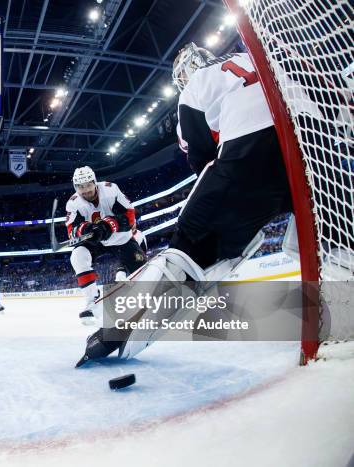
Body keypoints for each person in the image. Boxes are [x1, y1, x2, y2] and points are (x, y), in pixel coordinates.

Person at [78, 43, 293, 364]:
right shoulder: (257, 56)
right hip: (318, 138)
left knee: (192, 245)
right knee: (321, 234)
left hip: (253, 148)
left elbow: (203, 160)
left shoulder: (194, 88)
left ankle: (118, 335)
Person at [65, 166, 146, 324]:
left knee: (142, 272)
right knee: (77, 256)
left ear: (94, 182)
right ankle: (91, 300)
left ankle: (140, 295)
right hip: (94, 242)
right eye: (80, 187)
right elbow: (71, 231)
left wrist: (109, 225)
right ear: (76, 187)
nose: (85, 190)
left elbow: (129, 216)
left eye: (88, 184)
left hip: (120, 238)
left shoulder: (111, 189)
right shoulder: (73, 203)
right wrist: (85, 228)